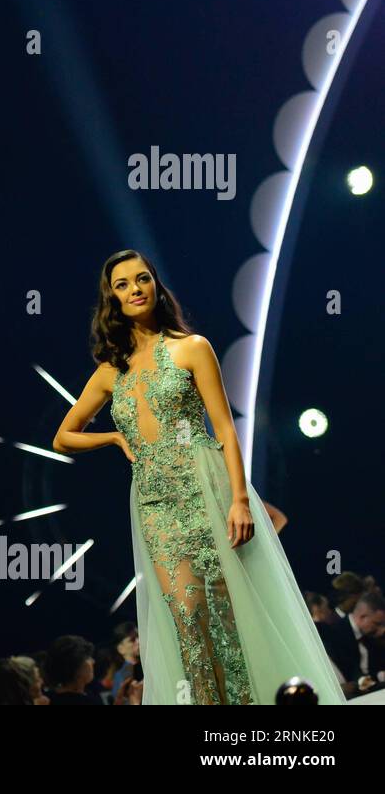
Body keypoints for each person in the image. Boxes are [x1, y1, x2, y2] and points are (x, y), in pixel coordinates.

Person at [51, 250, 345, 705]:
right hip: (154, 501)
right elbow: (63, 437)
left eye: (142, 279)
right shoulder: (112, 371)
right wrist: (111, 438)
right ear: (112, 298)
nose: (135, 289)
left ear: (155, 285)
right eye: (123, 284)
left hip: (205, 485)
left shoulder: (191, 347)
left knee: (226, 612)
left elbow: (225, 428)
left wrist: (240, 500)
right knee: (186, 618)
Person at [318, 589, 385, 698]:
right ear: (363, 617)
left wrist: (379, 675)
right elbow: (352, 675)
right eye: (377, 624)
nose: (382, 630)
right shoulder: (336, 634)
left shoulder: (370, 636)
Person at [43, 636, 103, 704]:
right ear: (76, 667)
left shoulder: (50, 698)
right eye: (88, 657)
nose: (93, 661)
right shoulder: (86, 701)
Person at [109, 622, 140, 697]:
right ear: (121, 649)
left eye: (138, 637)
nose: (138, 641)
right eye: (132, 640)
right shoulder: (122, 676)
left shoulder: (142, 666)